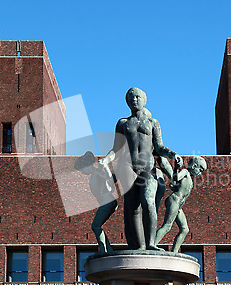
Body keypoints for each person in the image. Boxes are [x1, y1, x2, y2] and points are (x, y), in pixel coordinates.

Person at [99, 87, 182, 250]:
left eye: (137, 97)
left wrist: (173, 155)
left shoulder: (152, 123)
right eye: (131, 97)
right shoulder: (123, 123)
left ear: (144, 100)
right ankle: (139, 246)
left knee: (148, 201)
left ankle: (151, 243)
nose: (134, 100)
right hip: (128, 168)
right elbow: (116, 148)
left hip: (147, 168)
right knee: (133, 207)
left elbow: (159, 147)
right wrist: (106, 160)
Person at [155, 156, 207, 252]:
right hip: (175, 200)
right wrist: (176, 168)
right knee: (167, 226)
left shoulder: (189, 178)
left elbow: (176, 185)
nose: (199, 173)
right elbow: (175, 178)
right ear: (194, 166)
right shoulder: (185, 172)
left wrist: (174, 186)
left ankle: (174, 252)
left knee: (184, 229)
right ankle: (152, 245)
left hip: (179, 204)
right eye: (200, 170)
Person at [74, 151, 117, 253]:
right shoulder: (94, 175)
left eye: (82, 169)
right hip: (105, 202)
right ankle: (107, 249)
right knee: (97, 226)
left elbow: (109, 178)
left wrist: (105, 166)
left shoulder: (97, 172)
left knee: (95, 225)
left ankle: (104, 249)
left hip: (108, 201)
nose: (82, 172)